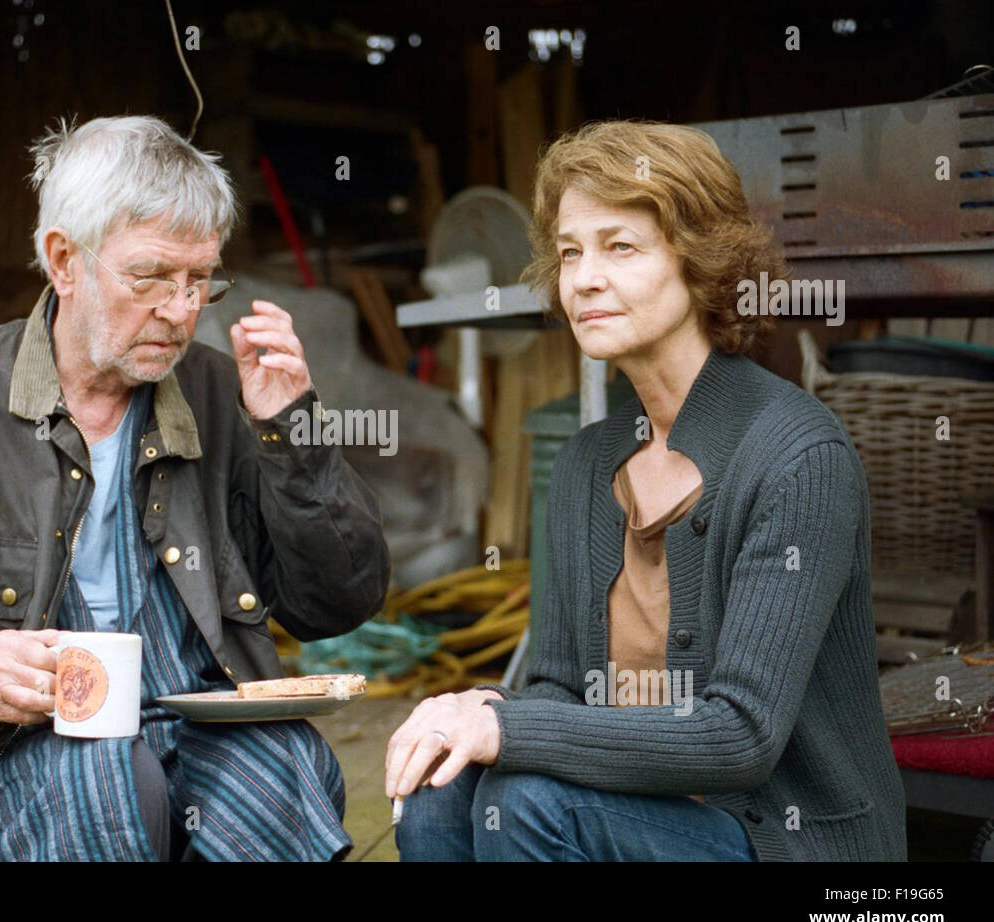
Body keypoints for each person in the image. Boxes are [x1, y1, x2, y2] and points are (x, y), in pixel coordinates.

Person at [0, 115, 389, 862]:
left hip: (194, 725)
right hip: (10, 753)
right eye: (150, 276)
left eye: (199, 281)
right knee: (100, 783)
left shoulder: (225, 396)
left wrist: (291, 434)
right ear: (63, 260)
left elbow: (337, 602)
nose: (181, 311)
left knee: (279, 769)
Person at [384, 119, 906, 862]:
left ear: (700, 262)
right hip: (637, 814)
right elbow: (561, 692)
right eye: (570, 253)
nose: (584, 278)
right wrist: (481, 707)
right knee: (440, 793)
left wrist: (507, 728)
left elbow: (742, 737)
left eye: (620, 247)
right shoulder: (586, 464)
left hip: (787, 841)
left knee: (531, 802)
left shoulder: (798, 456)